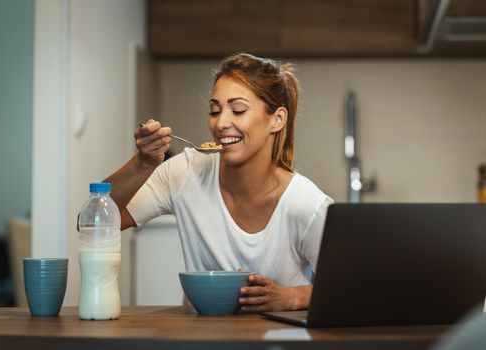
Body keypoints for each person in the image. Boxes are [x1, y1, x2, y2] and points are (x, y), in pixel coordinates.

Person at [104, 52, 333, 312]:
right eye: (215, 110)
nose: (221, 123)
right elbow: (95, 221)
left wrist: (292, 297)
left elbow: (351, 288)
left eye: (238, 110)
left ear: (277, 119)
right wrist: (144, 163)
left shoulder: (307, 205)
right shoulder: (185, 172)